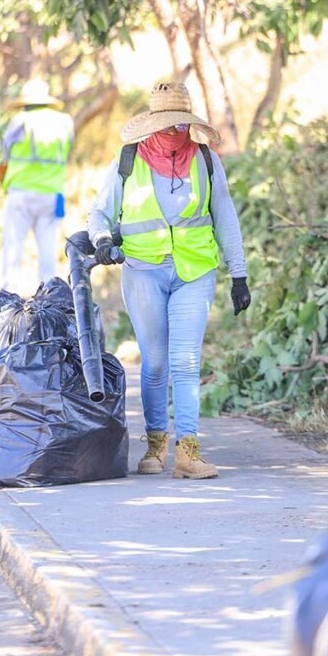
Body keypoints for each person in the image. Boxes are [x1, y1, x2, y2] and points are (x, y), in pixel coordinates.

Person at [87, 80, 251, 481]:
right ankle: (155, 445)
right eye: (166, 125)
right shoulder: (128, 161)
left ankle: (188, 452)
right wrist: (103, 241)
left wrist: (239, 273)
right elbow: (99, 214)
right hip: (143, 271)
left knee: (186, 361)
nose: (174, 133)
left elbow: (225, 215)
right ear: (151, 125)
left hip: (195, 271)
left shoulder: (206, 160)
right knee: (156, 363)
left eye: (181, 126)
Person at [0, 78, 74, 292]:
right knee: (47, 251)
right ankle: (48, 295)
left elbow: (5, 151)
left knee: (14, 248)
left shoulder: (20, 120)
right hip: (52, 193)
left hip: (21, 192)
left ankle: (8, 295)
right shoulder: (64, 122)